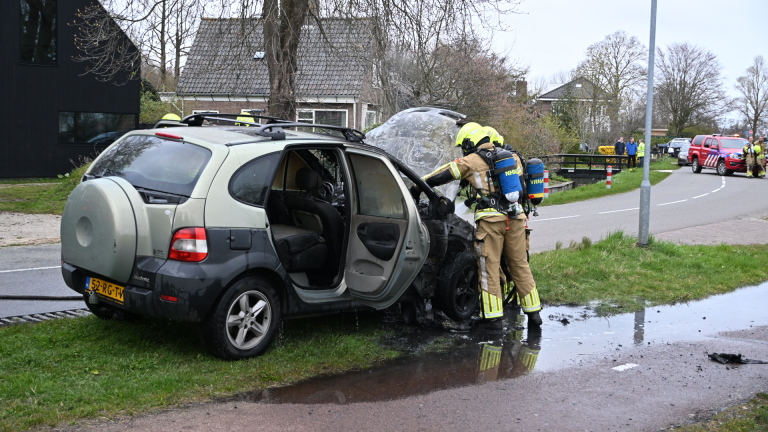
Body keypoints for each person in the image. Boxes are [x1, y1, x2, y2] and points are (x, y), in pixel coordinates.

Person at [418, 123, 543, 330]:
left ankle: (493, 319)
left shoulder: (471, 161)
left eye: (463, 146)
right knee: (520, 265)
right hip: (516, 218)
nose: (464, 150)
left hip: (491, 222)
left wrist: (419, 183)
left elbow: (442, 174)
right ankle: (534, 314)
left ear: (469, 142)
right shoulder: (512, 157)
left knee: (489, 268)